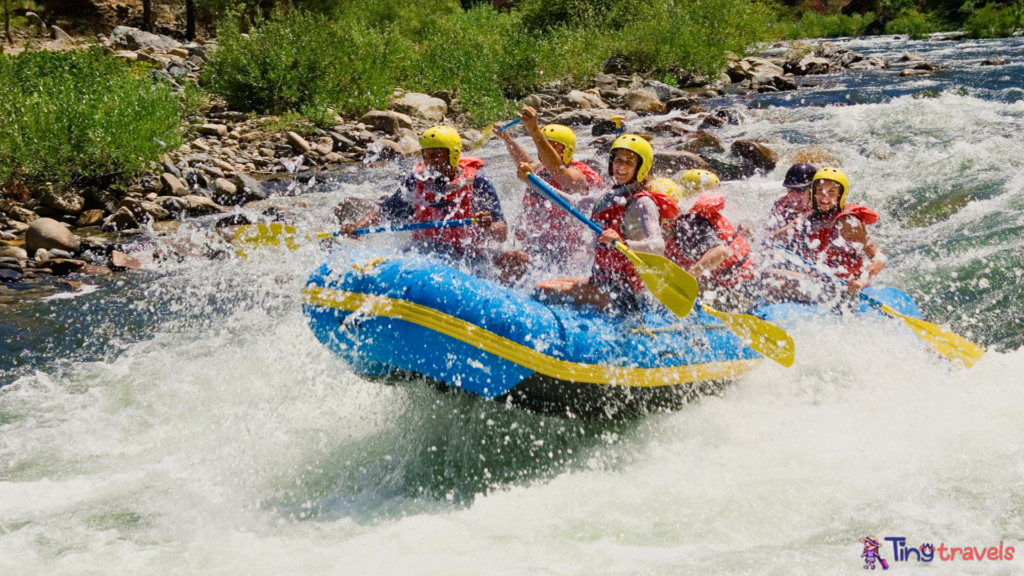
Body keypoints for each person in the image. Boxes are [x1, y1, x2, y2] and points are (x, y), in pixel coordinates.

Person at [534, 134, 678, 312]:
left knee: (542, 288)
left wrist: (623, 243)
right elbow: (570, 203)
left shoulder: (642, 202)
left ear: (641, 167)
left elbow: (658, 246)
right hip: (603, 281)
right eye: (618, 160)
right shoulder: (608, 195)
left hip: (626, 292)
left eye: (629, 162)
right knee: (551, 283)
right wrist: (532, 180)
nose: (621, 166)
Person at [340, 125, 509, 268]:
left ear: (453, 154)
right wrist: (356, 226)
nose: (430, 161)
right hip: (425, 252)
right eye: (426, 155)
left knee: (517, 258)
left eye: (436, 154)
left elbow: (501, 233)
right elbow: (384, 211)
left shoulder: (478, 183)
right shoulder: (416, 182)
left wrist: (488, 226)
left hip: (469, 255)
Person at [494, 107, 603, 266]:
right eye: (543, 145)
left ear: (567, 151)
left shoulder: (583, 175)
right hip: (536, 244)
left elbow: (560, 174)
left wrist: (535, 130)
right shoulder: (539, 169)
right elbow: (525, 161)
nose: (543, 150)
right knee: (504, 259)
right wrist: (507, 139)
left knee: (517, 259)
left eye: (550, 146)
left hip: (567, 249)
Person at [772, 167, 886, 297]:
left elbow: (879, 257)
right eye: (820, 190)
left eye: (831, 191)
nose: (824, 196)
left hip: (846, 287)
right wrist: (751, 235)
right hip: (823, 281)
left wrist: (862, 281)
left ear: (840, 195)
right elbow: (775, 237)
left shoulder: (848, 223)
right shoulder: (810, 218)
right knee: (772, 274)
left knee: (780, 284)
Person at [663, 170, 756, 303]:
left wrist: (685, 280)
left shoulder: (689, 223)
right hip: (750, 274)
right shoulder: (713, 211)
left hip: (739, 288)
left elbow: (721, 252)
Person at [765, 162, 817, 232]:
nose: (794, 196)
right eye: (790, 189)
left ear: (812, 191)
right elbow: (767, 230)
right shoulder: (781, 204)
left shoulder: (818, 209)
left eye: (800, 190)